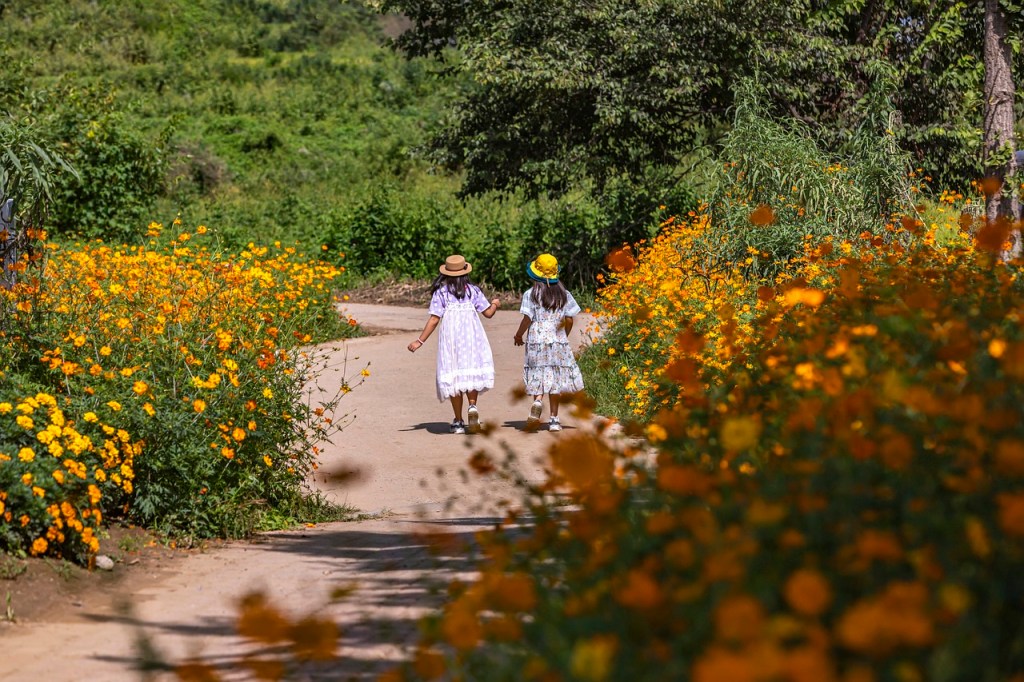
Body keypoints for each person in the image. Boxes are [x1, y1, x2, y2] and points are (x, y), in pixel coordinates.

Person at [408, 255, 500, 434]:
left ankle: (458, 421)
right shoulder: (473, 291)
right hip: (471, 339)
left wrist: (419, 341)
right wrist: (495, 303)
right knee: (470, 372)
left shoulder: (441, 293)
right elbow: (488, 313)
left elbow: (434, 319)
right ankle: (472, 406)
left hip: (450, 341)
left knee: (454, 375)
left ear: (446, 274)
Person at [513, 253, 584, 432]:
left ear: (535, 275)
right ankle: (554, 419)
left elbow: (527, 319)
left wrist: (518, 335)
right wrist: (564, 335)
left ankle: (537, 401)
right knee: (555, 378)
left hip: (537, 339)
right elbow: (569, 319)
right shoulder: (564, 295)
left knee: (539, 371)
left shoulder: (531, 294)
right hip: (557, 338)